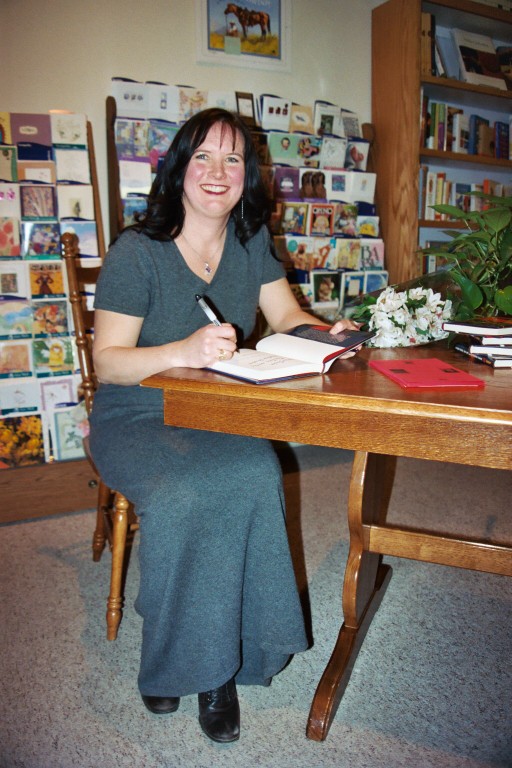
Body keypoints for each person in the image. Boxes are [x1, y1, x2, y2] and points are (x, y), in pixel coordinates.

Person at [89, 107, 359, 744]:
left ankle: (217, 664)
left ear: (247, 174)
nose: (218, 171)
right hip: (137, 413)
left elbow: (285, 316)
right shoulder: (138, 250)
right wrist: (181, 350)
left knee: (254, 473)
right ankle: (192, 663)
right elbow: (108, 362)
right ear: (178, 169)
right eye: (203, 156)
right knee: (182, 494)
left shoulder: (250, 240)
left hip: (218, 408)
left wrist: (327, 333)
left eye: (232, 158)